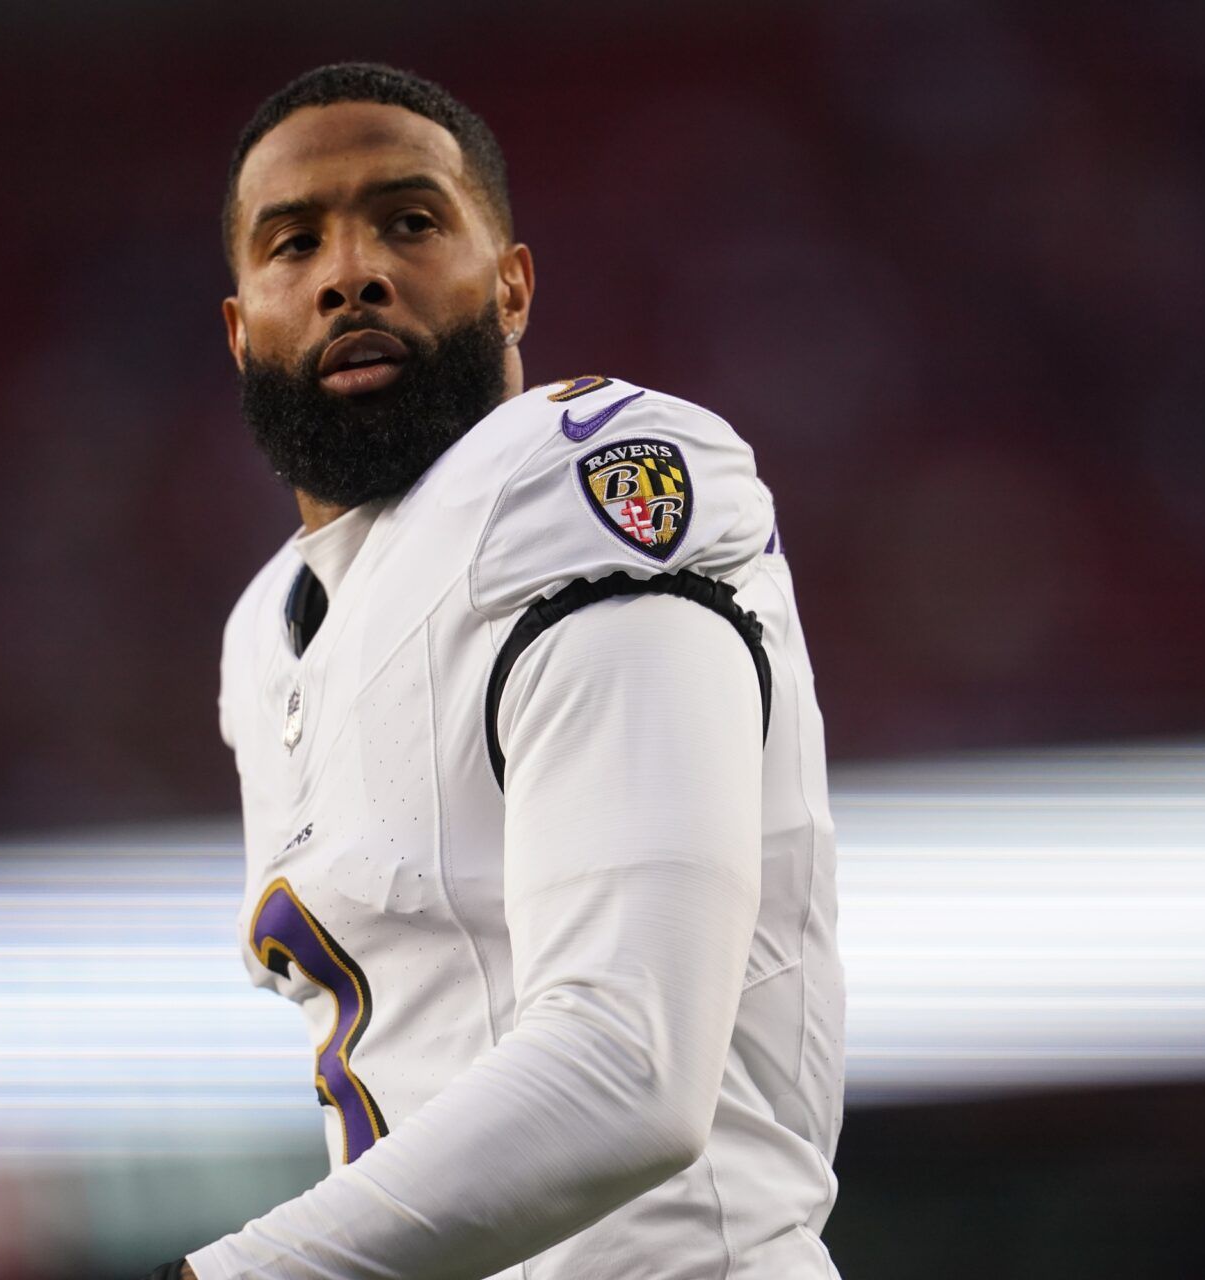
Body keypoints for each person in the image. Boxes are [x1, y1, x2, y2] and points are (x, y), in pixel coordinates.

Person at [147, 62, 844, 1280]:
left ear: (511, 284)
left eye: (408, 222)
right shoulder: (269, 631)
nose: (349, 270)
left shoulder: (579, 476)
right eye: (292, 242)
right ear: (239, 324)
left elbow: (628, 1066)